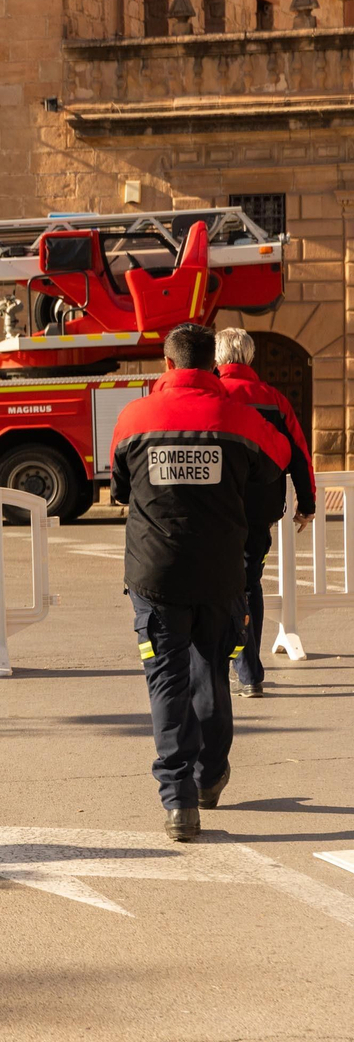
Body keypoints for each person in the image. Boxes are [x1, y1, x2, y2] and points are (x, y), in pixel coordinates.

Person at [110, 325, 289, 842]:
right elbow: (277, 463)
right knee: (212, 671)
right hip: (222, 573)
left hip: (155, 574)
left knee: (166, 681)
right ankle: (209, 777)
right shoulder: (240, 418)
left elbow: (120, 488)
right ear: (213, 366)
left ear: (167, 366)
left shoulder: (134, 417)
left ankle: (178, 803)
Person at [214, 328, 316, 699]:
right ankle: (249, 672)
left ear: (218, 359)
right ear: (251, 358)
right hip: (259, 511)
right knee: (248, 584)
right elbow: (299, 456)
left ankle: (222, 664)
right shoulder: (273, 399)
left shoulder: (211, 394)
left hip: (213, 510)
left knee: (215, 587)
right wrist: (307, 504)